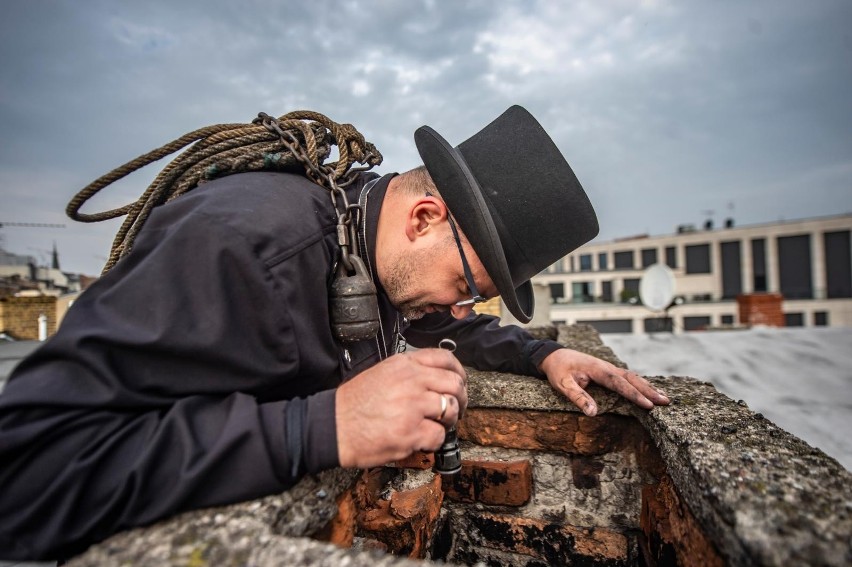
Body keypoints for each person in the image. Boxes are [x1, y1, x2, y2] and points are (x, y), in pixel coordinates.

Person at [0, 105, 669, 561]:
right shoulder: (243, 245)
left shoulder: (371, 248)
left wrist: (545, 353)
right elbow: (27, 471)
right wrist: (323, 426)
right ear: (424, 217)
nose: (463, 309)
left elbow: (445, 327)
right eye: (471, 286)